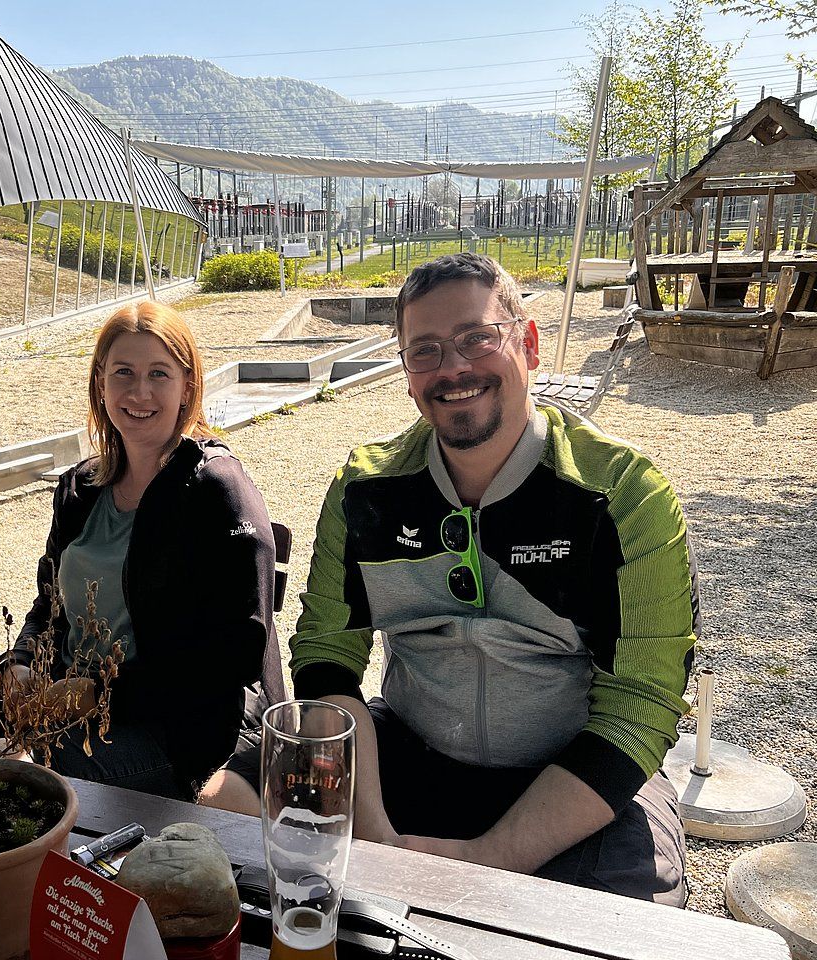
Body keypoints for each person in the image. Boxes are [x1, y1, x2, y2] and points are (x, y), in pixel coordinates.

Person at [201, 253, 697, 906]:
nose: (453, 369)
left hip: (570, 777)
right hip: (403, 751)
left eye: (476, 339)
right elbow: (327, 656)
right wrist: (371, 834)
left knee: (619, 934)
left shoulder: (624, 496)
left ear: (530, 343)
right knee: (223, 806)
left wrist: (485, 860)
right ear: (406, 376)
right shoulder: (366, 489)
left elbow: (639, 709)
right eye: (425, 351)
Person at [0, 300, 276, 801]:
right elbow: (48, 605)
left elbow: (235, 651)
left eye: (159, 374)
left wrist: (100, 694)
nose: (139, 392)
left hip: (182, 729)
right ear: (100, 382)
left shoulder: (215, 489)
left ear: (187, 385)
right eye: (123, 372)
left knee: (17, 782)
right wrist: (19, 662)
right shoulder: (81, 488)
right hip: (67, 701)